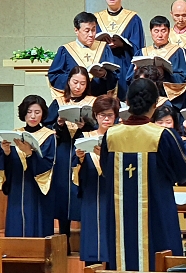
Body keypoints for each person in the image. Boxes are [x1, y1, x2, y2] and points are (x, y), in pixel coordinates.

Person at [100, 78, 186, 271]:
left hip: (119, 215)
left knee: (123, 255)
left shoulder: (111, 135)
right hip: (157, 211)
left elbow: (105, 170)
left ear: (127, 102)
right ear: (155, 104)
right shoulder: (162, 135)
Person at [44, 66, 96, 251]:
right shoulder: (58, 102)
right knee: (63, 192)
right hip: (63, 151)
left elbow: (98, 127)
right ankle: (63, 238)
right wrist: (58, 124)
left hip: (84, 150)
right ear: (68, 82)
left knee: (82, 191)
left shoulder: (92, 102)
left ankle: (87, 240)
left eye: (83, 83)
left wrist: (85, 126)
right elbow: (46, 128)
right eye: (75, 82)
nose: (78, 87)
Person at [0, 95, 57, 237]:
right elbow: (7, 166)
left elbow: (48, 165)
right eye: (29, 112)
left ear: (43, 114)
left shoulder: (49, 136)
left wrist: (30, 153)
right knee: (16, 223)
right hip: (17, 187)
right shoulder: (14, 134)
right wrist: (6, 152)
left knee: (36, 224)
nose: (33, 116)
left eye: (37, 112)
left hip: (37, 189)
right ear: (24, 113)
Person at [75, 95, 119, 265]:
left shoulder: (119, 137)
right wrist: (80, 158)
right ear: (95, 115)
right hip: (92, 193)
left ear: (116, 116)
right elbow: (77, 173)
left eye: (110, 115)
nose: (106, 119)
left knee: (112, 235)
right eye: (102, 115)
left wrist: (105, 157)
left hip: (113, 194)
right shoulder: (86, 136)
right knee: (92, 235)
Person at [94, 0, 145, 100]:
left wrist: (123, 45)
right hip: (103, 67)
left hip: (124, 65)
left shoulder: (133, 19)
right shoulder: (96, 19)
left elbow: (138, 48)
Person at [48, 12, 118, 97]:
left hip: (99, 99)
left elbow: (114, 75)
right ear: (76, 30)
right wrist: (75, 79)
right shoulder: (65, 50)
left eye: (93, 30)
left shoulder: (104, 48)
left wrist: (104, 74)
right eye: (87, 31)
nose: (91, 34)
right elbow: (54, 76)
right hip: (74, 99)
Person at [136, 16, 186, 109]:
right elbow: (129, 78)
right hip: (145, 100)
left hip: (168, 101)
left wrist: (164, 73)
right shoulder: (142, 52)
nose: (160, 35)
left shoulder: (179, 52)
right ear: (150, 32)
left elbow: (183, 78)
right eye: (156, 31)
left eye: (163, 31)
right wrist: (137, 72)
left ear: (169, 31)